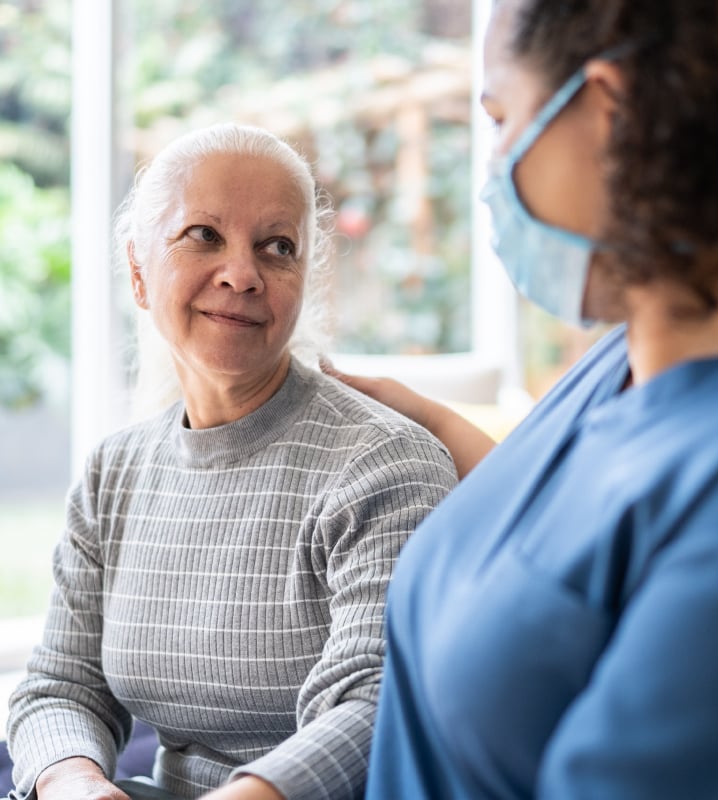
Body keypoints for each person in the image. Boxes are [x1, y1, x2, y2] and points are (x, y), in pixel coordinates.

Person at [328, 0, 718, 797]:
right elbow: (560, 535)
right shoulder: (626, 353)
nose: (492, 174)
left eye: (502, 118)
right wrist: (424, 421)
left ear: (611, 115)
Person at [5, 122, 458, 800]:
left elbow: (375, 705)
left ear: (306, 279)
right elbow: (61, 684)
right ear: (137, 270)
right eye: (204, 236)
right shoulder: (113, 473)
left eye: (277, 247)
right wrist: (78, 785)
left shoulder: (384, 463)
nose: (241, 275)